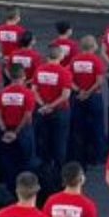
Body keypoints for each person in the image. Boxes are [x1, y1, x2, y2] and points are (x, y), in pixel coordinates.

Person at [31, 45, 73, 185]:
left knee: (44, 143)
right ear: (61, 57)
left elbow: (34, 90)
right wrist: (51, 106)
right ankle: (61, 178)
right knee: (60, 144)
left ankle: (44, 176)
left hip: (43, 112)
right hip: (59, 112)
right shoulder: (64, 72)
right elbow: (65, 95)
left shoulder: (40, 70)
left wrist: (43, 105)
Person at [0, 63, 39, 186]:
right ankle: (26, 187)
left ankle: (10, 187)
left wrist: (5, 130)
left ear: (9, 76)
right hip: (23, 132)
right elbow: (27, 115)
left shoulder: (2, 93)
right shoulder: (28, 93)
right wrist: (16, 132)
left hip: (6, 130)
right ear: (24, 76)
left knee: (8, 161)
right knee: (27, 161)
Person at [68, 37, 108, 165]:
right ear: (93, 47)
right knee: (97, 127)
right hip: (94, 97)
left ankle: (80, 155)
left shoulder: (74, 60)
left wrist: (80, 91)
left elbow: (70, 80)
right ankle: (98, 157)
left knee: (79, 128)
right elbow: (99, 81)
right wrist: (88, 92)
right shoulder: (96, 60)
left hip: (78, 97)